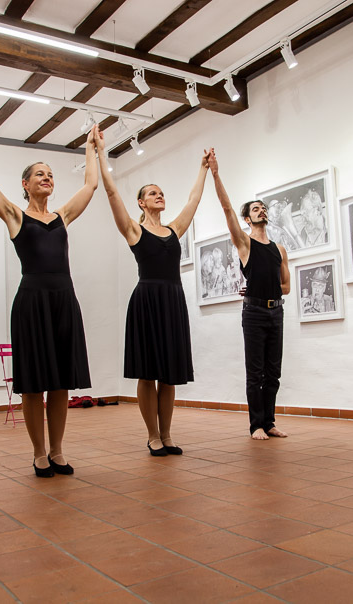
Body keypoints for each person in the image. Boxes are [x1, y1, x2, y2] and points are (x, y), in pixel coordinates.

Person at [0, 116, 98, 477]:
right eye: (40, 173)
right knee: (35, 384)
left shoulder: (63, 216)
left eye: (50, 174)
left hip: (63, 298)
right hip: (32, 302)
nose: (47, 178)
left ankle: (58, 450)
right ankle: (39, 453)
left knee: (60, 383)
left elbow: (91, 185)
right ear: (25, 184)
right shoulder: (15, 216)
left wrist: (90, 147)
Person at [96, 129, 209, 456]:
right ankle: (152, 435)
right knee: (147, 373)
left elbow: (193, 200)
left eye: (161, 192)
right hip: (146, 302)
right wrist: (102, 155)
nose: (160, 196)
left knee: (169, 375)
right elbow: (112, 193)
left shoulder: (174, 230)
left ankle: (168, 434)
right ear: (142, 202)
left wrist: (203, 169)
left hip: (172, 301)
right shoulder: (134, 229)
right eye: (153, 193)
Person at [208, 150, 291, 440]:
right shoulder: (244, 243)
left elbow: (286, 287)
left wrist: (262, 288)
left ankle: (269, 422)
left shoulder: (279, 249)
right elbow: (227, 208)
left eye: (263, 207)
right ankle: (256, 425)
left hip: (276, 311)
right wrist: (216, 174)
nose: (262, 210)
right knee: (255, 373)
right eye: (255, 209)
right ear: (247, 218)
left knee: (273, 373)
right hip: (254, 313)